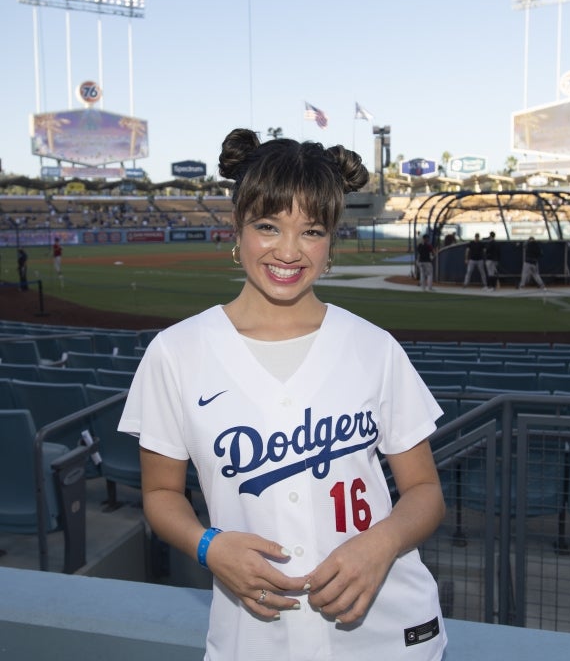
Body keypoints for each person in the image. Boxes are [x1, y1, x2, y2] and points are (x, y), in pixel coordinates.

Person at [118, 129, 447, 661]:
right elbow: (160, 495)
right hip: (255, 637)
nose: (289, 251)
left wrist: (381, 544)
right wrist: (208, 545)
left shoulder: (373, 347)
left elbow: (425, 491)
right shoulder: (175, 352)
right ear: (237, 227)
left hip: (389, 633)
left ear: (332, 239)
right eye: (268, 226)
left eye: (311, 231)